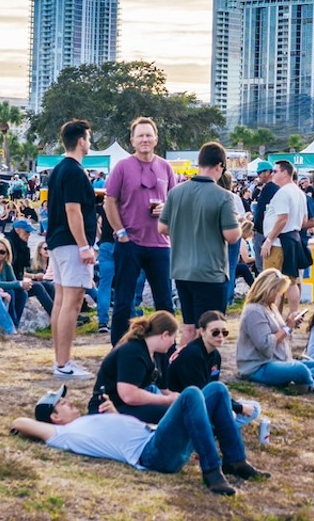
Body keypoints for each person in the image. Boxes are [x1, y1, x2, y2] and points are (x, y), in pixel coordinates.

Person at [11, 381, 265, 496]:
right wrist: (28, 426)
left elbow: (122, 432)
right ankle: (212, 471)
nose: (71, 403)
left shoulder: (83, 423)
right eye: (64, 403)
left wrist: (113, 414)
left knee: (217, 390)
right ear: (55, 417)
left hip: (155, 438)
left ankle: (235, 461)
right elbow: (19, 422)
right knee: (190, 395)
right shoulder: (62, 433)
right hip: (152, 455)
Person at [158, 141, 242, 341]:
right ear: (220, 166)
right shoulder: (224, 197)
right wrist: (238, 224)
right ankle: (204, 370)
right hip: (210, 273)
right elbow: (232, 236)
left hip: (182, 270)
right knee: (211, 330)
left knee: (188, 328)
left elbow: (162, 228)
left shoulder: (176, 192)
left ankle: (185, 369)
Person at [105, 117, 178, 345]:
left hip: (160, 245)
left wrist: (167, 210)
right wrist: (121, 232)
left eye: (148, 135)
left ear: (156, 139)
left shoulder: (165, 167)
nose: (145, 139)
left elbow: (175, 202)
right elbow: (110, 201)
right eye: (140, 136)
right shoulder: (122, 167)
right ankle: (119, 349)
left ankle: (168, 349)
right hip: (130, 244)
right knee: (124, 302)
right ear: (132, 141)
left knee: (165, 302)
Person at [47, 119, 99, 380]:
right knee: (73, 301)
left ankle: (60, 359)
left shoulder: (58, 170)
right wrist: (84, 246)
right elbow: (72, 209)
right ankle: (64, 362)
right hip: (70, 243)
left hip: (57, 242)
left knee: (61, 300)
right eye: (88, 139)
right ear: (81, 141)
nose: (89, 143)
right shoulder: (75, 172)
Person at [168, 311, 265, 433]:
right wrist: (238, 407)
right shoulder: (193, 355)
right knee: (233, 414)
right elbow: (200, 394)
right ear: (202, 332)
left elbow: (213, 389)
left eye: (224, 332)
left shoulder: (215, 355)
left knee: (254, 407)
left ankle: (216, 427)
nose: (220, 336)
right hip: (183, 406)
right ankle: (212, 429)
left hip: (204, 401)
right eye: (215, 332)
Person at [236, 269, 314, 391]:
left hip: (280, 359)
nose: (279, 295)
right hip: (259, 365)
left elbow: (281, 334)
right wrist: (287, 327)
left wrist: (290, 324)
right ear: (267, 289)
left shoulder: (271, 307)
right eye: (277, 291)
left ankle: (306, 384)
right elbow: (265, 345)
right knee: (299, 369)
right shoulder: (254, 311)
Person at [90, 311, 182, 425]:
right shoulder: (133, 352)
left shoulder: (158, 354)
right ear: (165, 335)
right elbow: (129, 395)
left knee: (180, 409)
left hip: (128, 405)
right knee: (175, 415)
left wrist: (176, 397)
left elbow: (163, 389)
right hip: (111, 406)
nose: (173, 342)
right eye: (173, 337)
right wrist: (166, 401)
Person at [260, 161, 309, 319]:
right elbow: (304, 220)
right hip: (292, 238)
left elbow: (282, 219)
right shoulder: (299, 192)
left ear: (285, 173)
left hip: (278, 242)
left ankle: (271, 316)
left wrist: (269, 240)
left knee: (271, 282)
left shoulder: (283, 193)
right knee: (291, 281)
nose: (272, 174)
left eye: (275, 171)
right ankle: (293, 314)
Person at [0, 238, 37, 326]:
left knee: (22, 293)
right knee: (10, 292)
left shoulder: (6, 265)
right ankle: (12, 324)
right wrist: (20, 284)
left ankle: (15, 323)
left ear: (7, 254)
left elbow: (13, 281)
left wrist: (23, 285)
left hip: (4, 290)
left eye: (2, 252)